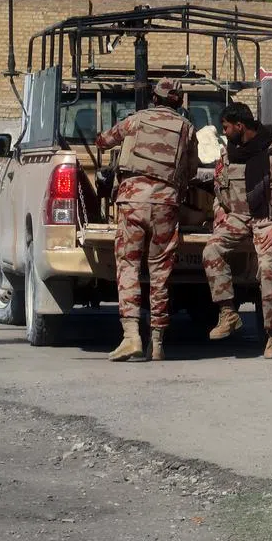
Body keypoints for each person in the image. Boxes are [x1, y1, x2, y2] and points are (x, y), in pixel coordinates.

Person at [95, 78, 198, 362]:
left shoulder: (136, 120)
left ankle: (131, 338)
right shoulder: (187, 128)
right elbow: (190, 170)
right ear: (178, 101)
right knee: (160, 272)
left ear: (155, 97)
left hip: (132, 202)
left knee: (128, 266)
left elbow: (104, 141)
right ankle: (158, 342)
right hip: (166, 205)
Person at [202, 102, 272, 359]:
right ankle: (228, 313)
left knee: (268, 268)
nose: (224, 133)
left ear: (239, 126)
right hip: (237, 217)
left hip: (267, 219)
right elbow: (219, 188)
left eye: (226, 127)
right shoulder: (229, 153)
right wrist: (219, 210)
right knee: (211, 250)